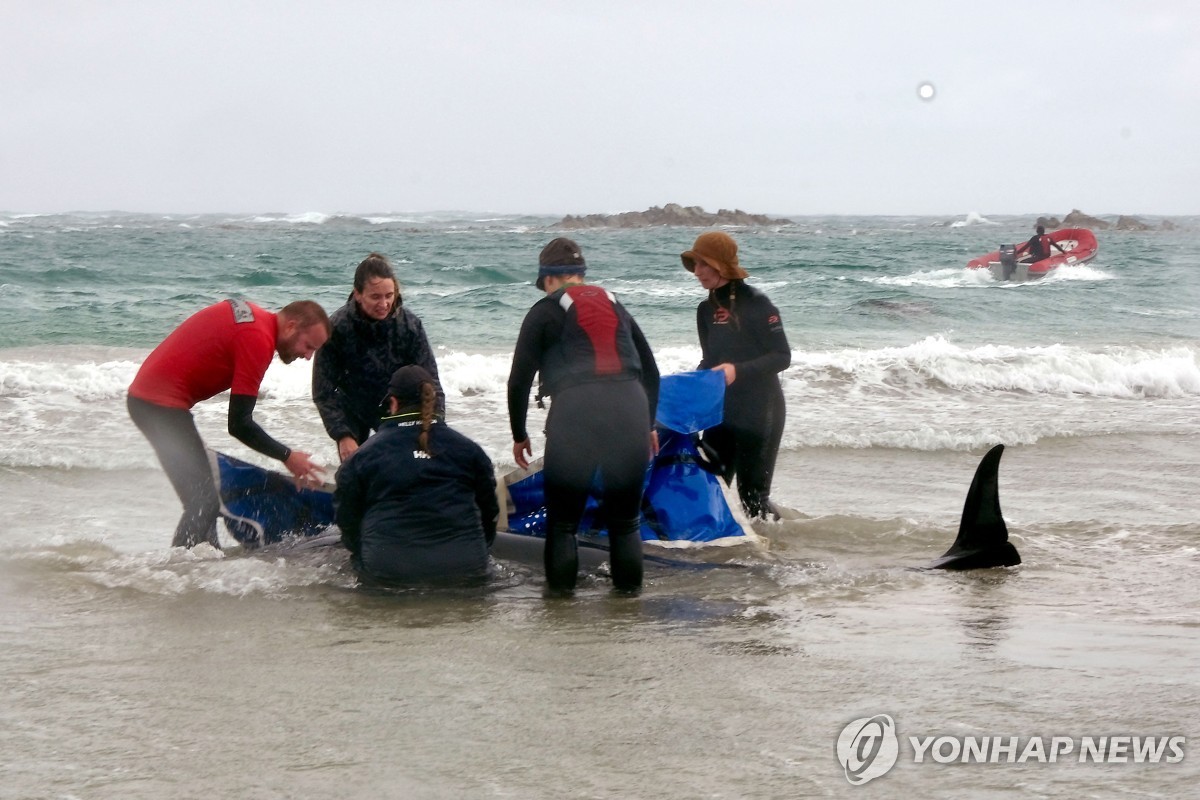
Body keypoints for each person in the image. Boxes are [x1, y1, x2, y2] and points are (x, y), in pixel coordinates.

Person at [507, 237, 660, 595]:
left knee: (563, 525)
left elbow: (518, 381)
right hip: (630, 408)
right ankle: (627, 611)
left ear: (547, 279)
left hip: (577, 411)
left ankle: (561, 613)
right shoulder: (616, 305)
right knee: (625, 523)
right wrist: (648, 425)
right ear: (581, 275)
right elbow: (650, 372)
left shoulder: (543, 311)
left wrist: (519, 433)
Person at [127, 298, 331, 548]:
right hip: (158, 407)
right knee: (204, 501)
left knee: (203, 500)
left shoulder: (255, 320)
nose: (308, 357)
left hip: (151, 402)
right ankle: (180, 569)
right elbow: (239, 425)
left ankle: (201, 563)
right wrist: (288, 456)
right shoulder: (258, 340)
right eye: (308, 346)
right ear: (291, 326)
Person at [333, 365, 498, 586]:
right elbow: (490, 513)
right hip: (465, 570)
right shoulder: (470, 451)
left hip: (389, 573)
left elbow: (347, 519)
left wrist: (363, 551)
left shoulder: (363, 457)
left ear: (393, 403)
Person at [682, 231, 790, 520]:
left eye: (703, 264)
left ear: (721, 265)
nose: (697, 271)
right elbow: (710, 359)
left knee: (753, 500)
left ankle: (773, 551)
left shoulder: (758, 303)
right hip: (722, 413)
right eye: (695, 264)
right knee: (707, 488)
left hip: (760, 411)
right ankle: (713, 552)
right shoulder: (705, 310)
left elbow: (782, 356)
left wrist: (737, 370)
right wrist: (686, 389)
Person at [313, 252, 442, 463]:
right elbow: (323, 391)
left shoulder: (409, 326)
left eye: (389, 295)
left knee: (407, 466)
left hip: (398, 406)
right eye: (375, 297)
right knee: (356, 468)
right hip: (353, 409)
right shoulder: (337, 327)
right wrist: (342, 434)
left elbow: (430, 381)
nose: (384, 303)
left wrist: (437, 424)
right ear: (358, 294)